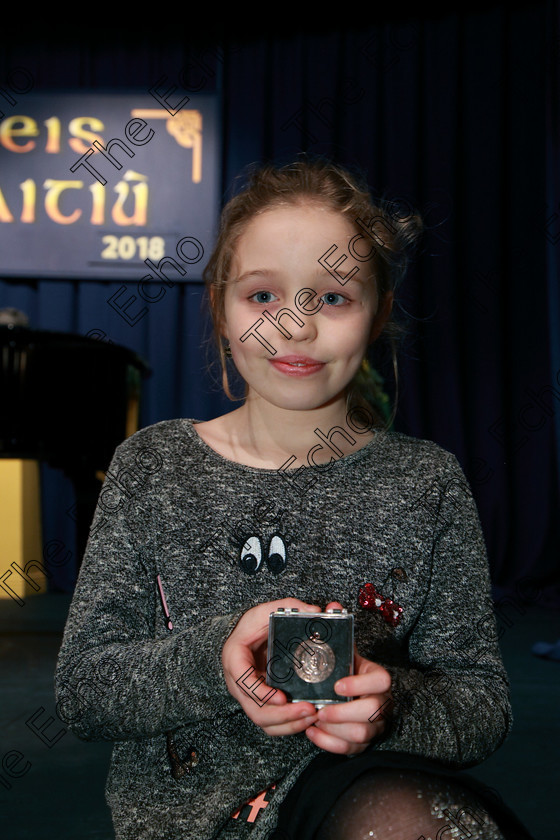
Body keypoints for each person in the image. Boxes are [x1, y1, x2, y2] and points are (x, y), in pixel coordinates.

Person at [55, 160, 534, 840]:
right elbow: (85, 691)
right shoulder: (154, 468)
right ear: (220, 307)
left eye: (332, 297)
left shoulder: (426, 483)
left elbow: (480, 706)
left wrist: (390, 706)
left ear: (379, 313)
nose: (295, 326)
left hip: (363, 799)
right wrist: (219, 656)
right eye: (262, 296)